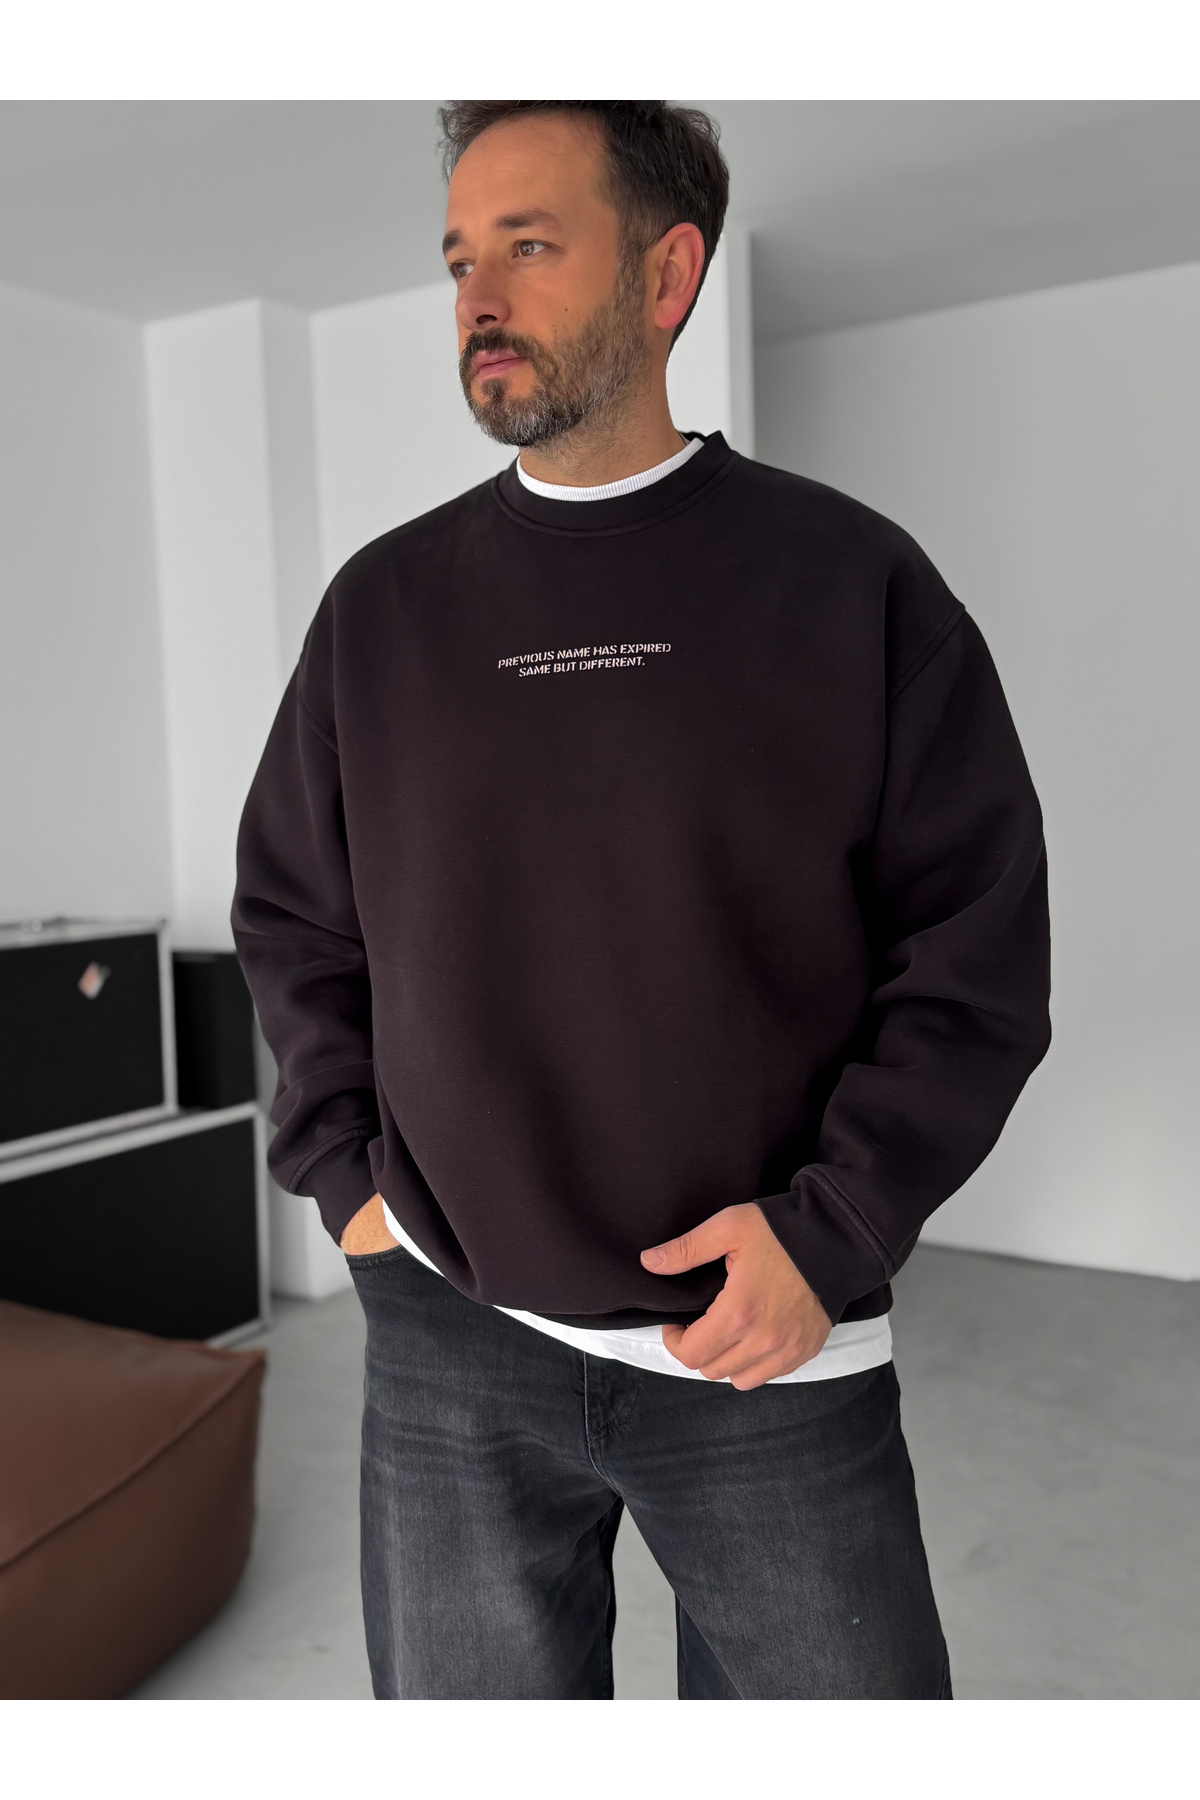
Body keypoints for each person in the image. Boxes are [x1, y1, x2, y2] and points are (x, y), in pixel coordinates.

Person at [232, 100, 1051, 1700]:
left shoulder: (852, 582)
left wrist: (835, 1232)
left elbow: (974, 953)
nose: (479, 299)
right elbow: (297, 921)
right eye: (460, 260)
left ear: (667, 276)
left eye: (529, 247)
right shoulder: (380, 611)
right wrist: (350, 1186)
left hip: (766, 1341)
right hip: (451, 1335)